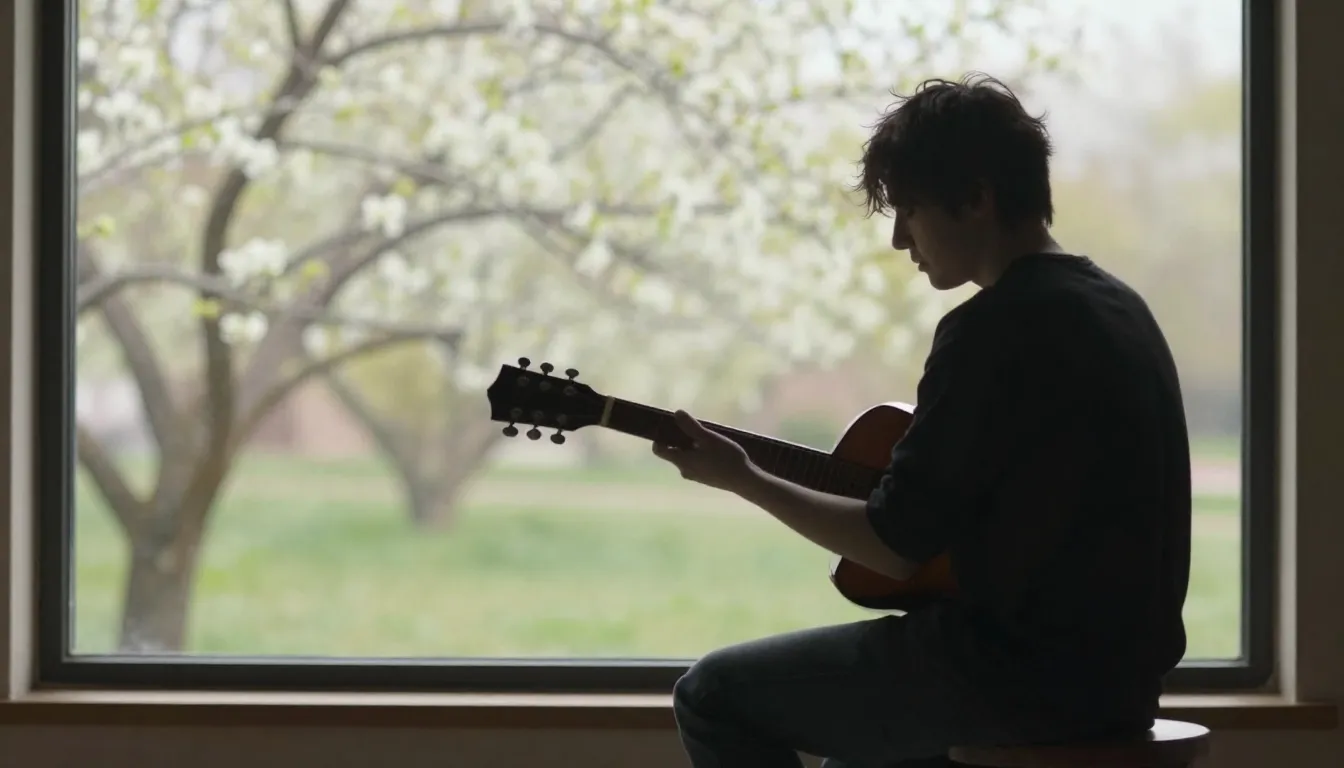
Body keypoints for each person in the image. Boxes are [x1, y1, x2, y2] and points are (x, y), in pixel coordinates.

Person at [651, 73, 1192, 768]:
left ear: (977, 199)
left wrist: (743, 478)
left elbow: (893, 546)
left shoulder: (992, 329)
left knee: (711, 694)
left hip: (1011, 681)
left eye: (910, 210)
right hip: (1120, 689)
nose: (900, 239)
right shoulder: (1121, 308)